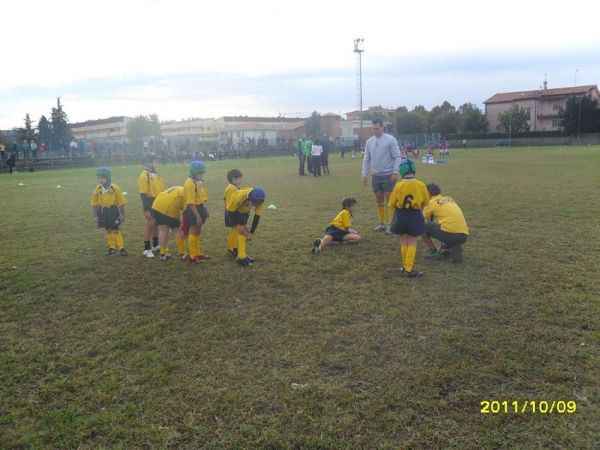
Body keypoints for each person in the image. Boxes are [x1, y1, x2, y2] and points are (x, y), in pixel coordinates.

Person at [388, 159, 430, 277]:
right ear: (414, 169)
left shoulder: (398, 185)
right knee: (412, 241)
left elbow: (391, 204)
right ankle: (409, 269)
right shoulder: (421, 185)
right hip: (414, 215)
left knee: (403, 241)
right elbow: (426, 202)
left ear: (402, 171)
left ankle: (405, 266)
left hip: (400, 215)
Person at [361, 118, 402, 233]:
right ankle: (383, 223)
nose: (375, 130)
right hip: (376, 175)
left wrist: (395, 172)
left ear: (382, 127)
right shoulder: (369, 141)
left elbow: (397, 157)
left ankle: (392, 225)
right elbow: (366, 159)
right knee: (379, 198)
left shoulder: (390, 140)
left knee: (391, 200)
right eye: (373, 128)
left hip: (389, 174)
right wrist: (364, 174)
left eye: (377, 128)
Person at [422, 183, 468, 263]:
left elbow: (423, 219)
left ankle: (433, 250)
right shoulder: (449, 198)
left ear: (428, 193)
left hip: (450, 234)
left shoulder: (431, 203)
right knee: (444, 224)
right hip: (464, 235)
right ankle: (451, 247)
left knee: (421, 226)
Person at [90, 167, 128, 256]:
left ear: (108, 177)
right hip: (103, 211)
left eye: (102, 178)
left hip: (113, 210)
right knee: (108, 229)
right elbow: (94, 204)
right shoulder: (97, 189)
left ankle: (121, 247)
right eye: (99, 178)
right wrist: (95, 216)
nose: (100, 180)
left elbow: (121, 202)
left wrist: (122, 214)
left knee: (116, 229)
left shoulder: (115, 188)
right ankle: (112, 247)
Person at [225, 187, 266, 266]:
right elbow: (230, 211)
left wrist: (251, 232)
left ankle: (242, 255)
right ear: (250, 198)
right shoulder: (239, 196)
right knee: (241, 231)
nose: (255, 206)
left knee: (245, 231)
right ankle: (241, 257)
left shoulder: (260, 199)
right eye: (254, 204)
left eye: (257, 204)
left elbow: (257, 216)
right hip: (233, 211)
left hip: (244, 211)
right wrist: (237, 224)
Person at [150, 186, 188, 261]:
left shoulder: (179, 188)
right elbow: (183, 213)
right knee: (177, 230)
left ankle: (163, 253)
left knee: (163, 229)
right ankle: (183, 253)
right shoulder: (187, 194)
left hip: (156, 205)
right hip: (169, 207)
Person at [138, 153, 164, 258]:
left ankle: (156, 244)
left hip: (157, 201)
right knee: (150, 224)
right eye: (155, 161)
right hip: (149, 202)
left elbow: (161, 189)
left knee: (156, 224)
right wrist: (146, 209)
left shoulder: (156, 174)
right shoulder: (144, 176)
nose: (157, 163)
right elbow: (143, 194)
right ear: (149, 162)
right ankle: (146, 248)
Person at [183, 160, 210, 264]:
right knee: (193, 230)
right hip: (193, 210)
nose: (203, 175)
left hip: (200, 208)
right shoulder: (189, 184)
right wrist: (198, 216)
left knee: (198, 231)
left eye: (203, 173)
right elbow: (191, 203)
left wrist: (205, 210)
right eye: (201, 173)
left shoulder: (199, 182)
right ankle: (193, 255)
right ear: (194, 173)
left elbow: (202, 197)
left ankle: (198, 253)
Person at [224, 169, 243, 257]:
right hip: (232, 212)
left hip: (234, 212)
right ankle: (230, 249)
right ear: (233, 179)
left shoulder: (233, 187)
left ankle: (234, 247)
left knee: (235, 230)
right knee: (234, 230)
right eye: (239, 178)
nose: (240, 180)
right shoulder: (231, 188)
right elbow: (230, 202)